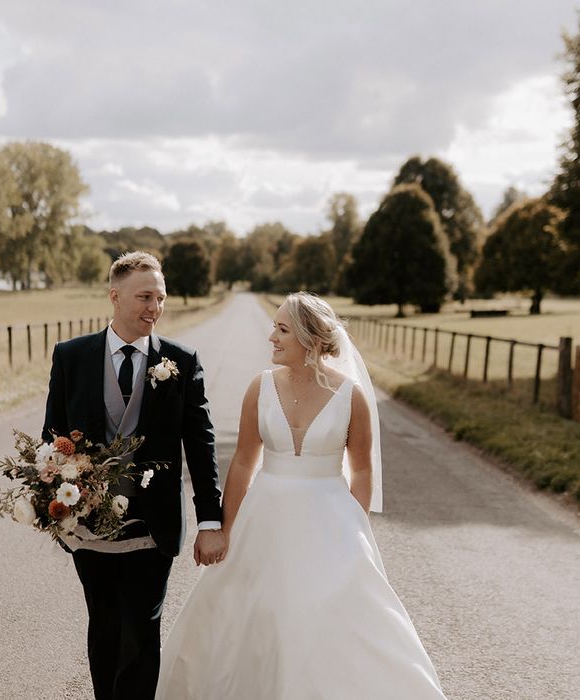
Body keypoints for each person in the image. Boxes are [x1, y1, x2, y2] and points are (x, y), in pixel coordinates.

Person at [155, 292, 446, 699]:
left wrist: (354, 530)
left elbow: (362, 469)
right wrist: (224, 528)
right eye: (274, 326)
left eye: (282, 329)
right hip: (265, 519)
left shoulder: (351, 397)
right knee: (252, 617)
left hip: (329, 522)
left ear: (309, 339)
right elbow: (242, 463)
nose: (271, 337)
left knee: (323, 618)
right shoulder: (260, 387)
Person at [41, 251, 226, 700]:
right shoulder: (72, 357)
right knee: (103, 626)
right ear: (115, 296)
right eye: (145, 296)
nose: (154, 308)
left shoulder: (181, 361)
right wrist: (53, 505)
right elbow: (52, 437)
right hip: (89, 529)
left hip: (152, 527)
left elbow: (200, 447)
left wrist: (210, 521)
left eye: (160, 298)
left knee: (142, 631)